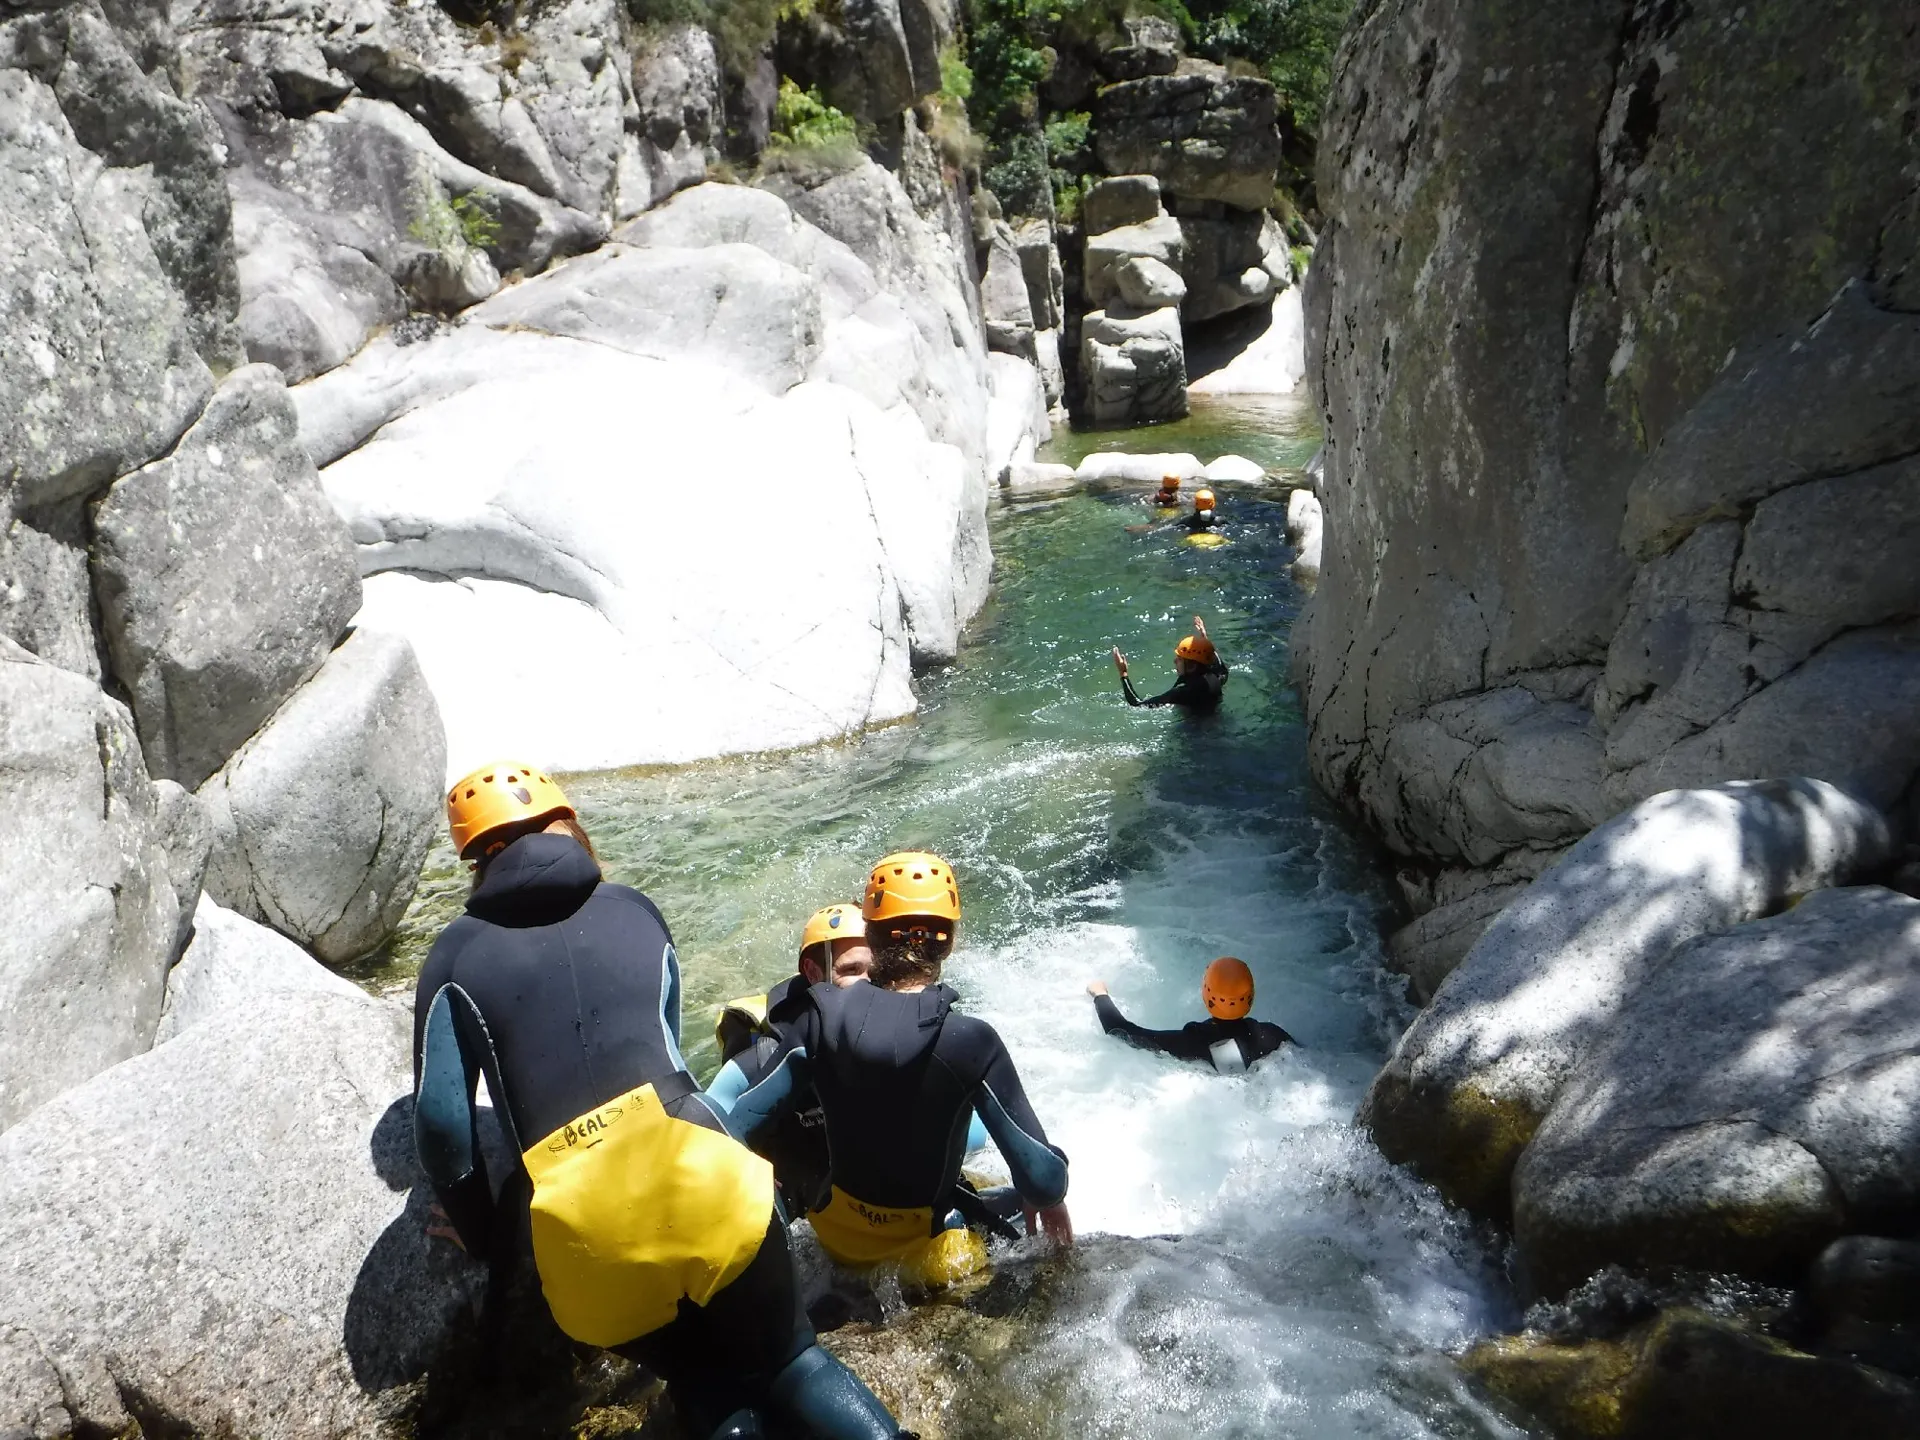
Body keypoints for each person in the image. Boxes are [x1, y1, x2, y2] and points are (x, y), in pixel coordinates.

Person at [411, 763, 907, 1440]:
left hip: (584, 1228)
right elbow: (668, 1053)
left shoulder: (451, 958)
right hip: (701, 1173)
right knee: (792, 1361)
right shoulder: (636, 910)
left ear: (476, 862)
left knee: (704, 1379)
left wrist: (484, 1237)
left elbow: (443, 1131)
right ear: (571, 828)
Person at [724, 852, 1072, 1290]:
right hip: (931, 1257)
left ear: (870, 934)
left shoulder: (819, 1015)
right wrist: (1055, 1176)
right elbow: (1042, 1181)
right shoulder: (972, 1040)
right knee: (1018, 1195)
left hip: (836, 1237)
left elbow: (735, 1125)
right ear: (948, 942)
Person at [707, 904, 874, 1217]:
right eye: (851, 970)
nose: (868, 986)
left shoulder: (896, 1035)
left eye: (875, 973)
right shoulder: (766, 1056)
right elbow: (700, 1139)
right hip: (792, 1199)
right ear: (813, 972)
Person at [1086, 958, 1294, 1074]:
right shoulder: (1273, 1036)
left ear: (1207, 995)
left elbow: (1121, 1032)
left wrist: (1100, 994)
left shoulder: (1191, 1043)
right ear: (1251, 997)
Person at [1112, 614, 1230, 711]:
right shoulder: (1216, 678)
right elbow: (1220, 667)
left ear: (1192, 666)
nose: (1175, 661)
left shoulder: (1183, 692)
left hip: (1192, 730)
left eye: (1179, 659)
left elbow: (1137, 704)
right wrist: (1204, 641)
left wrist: (1123, 673)